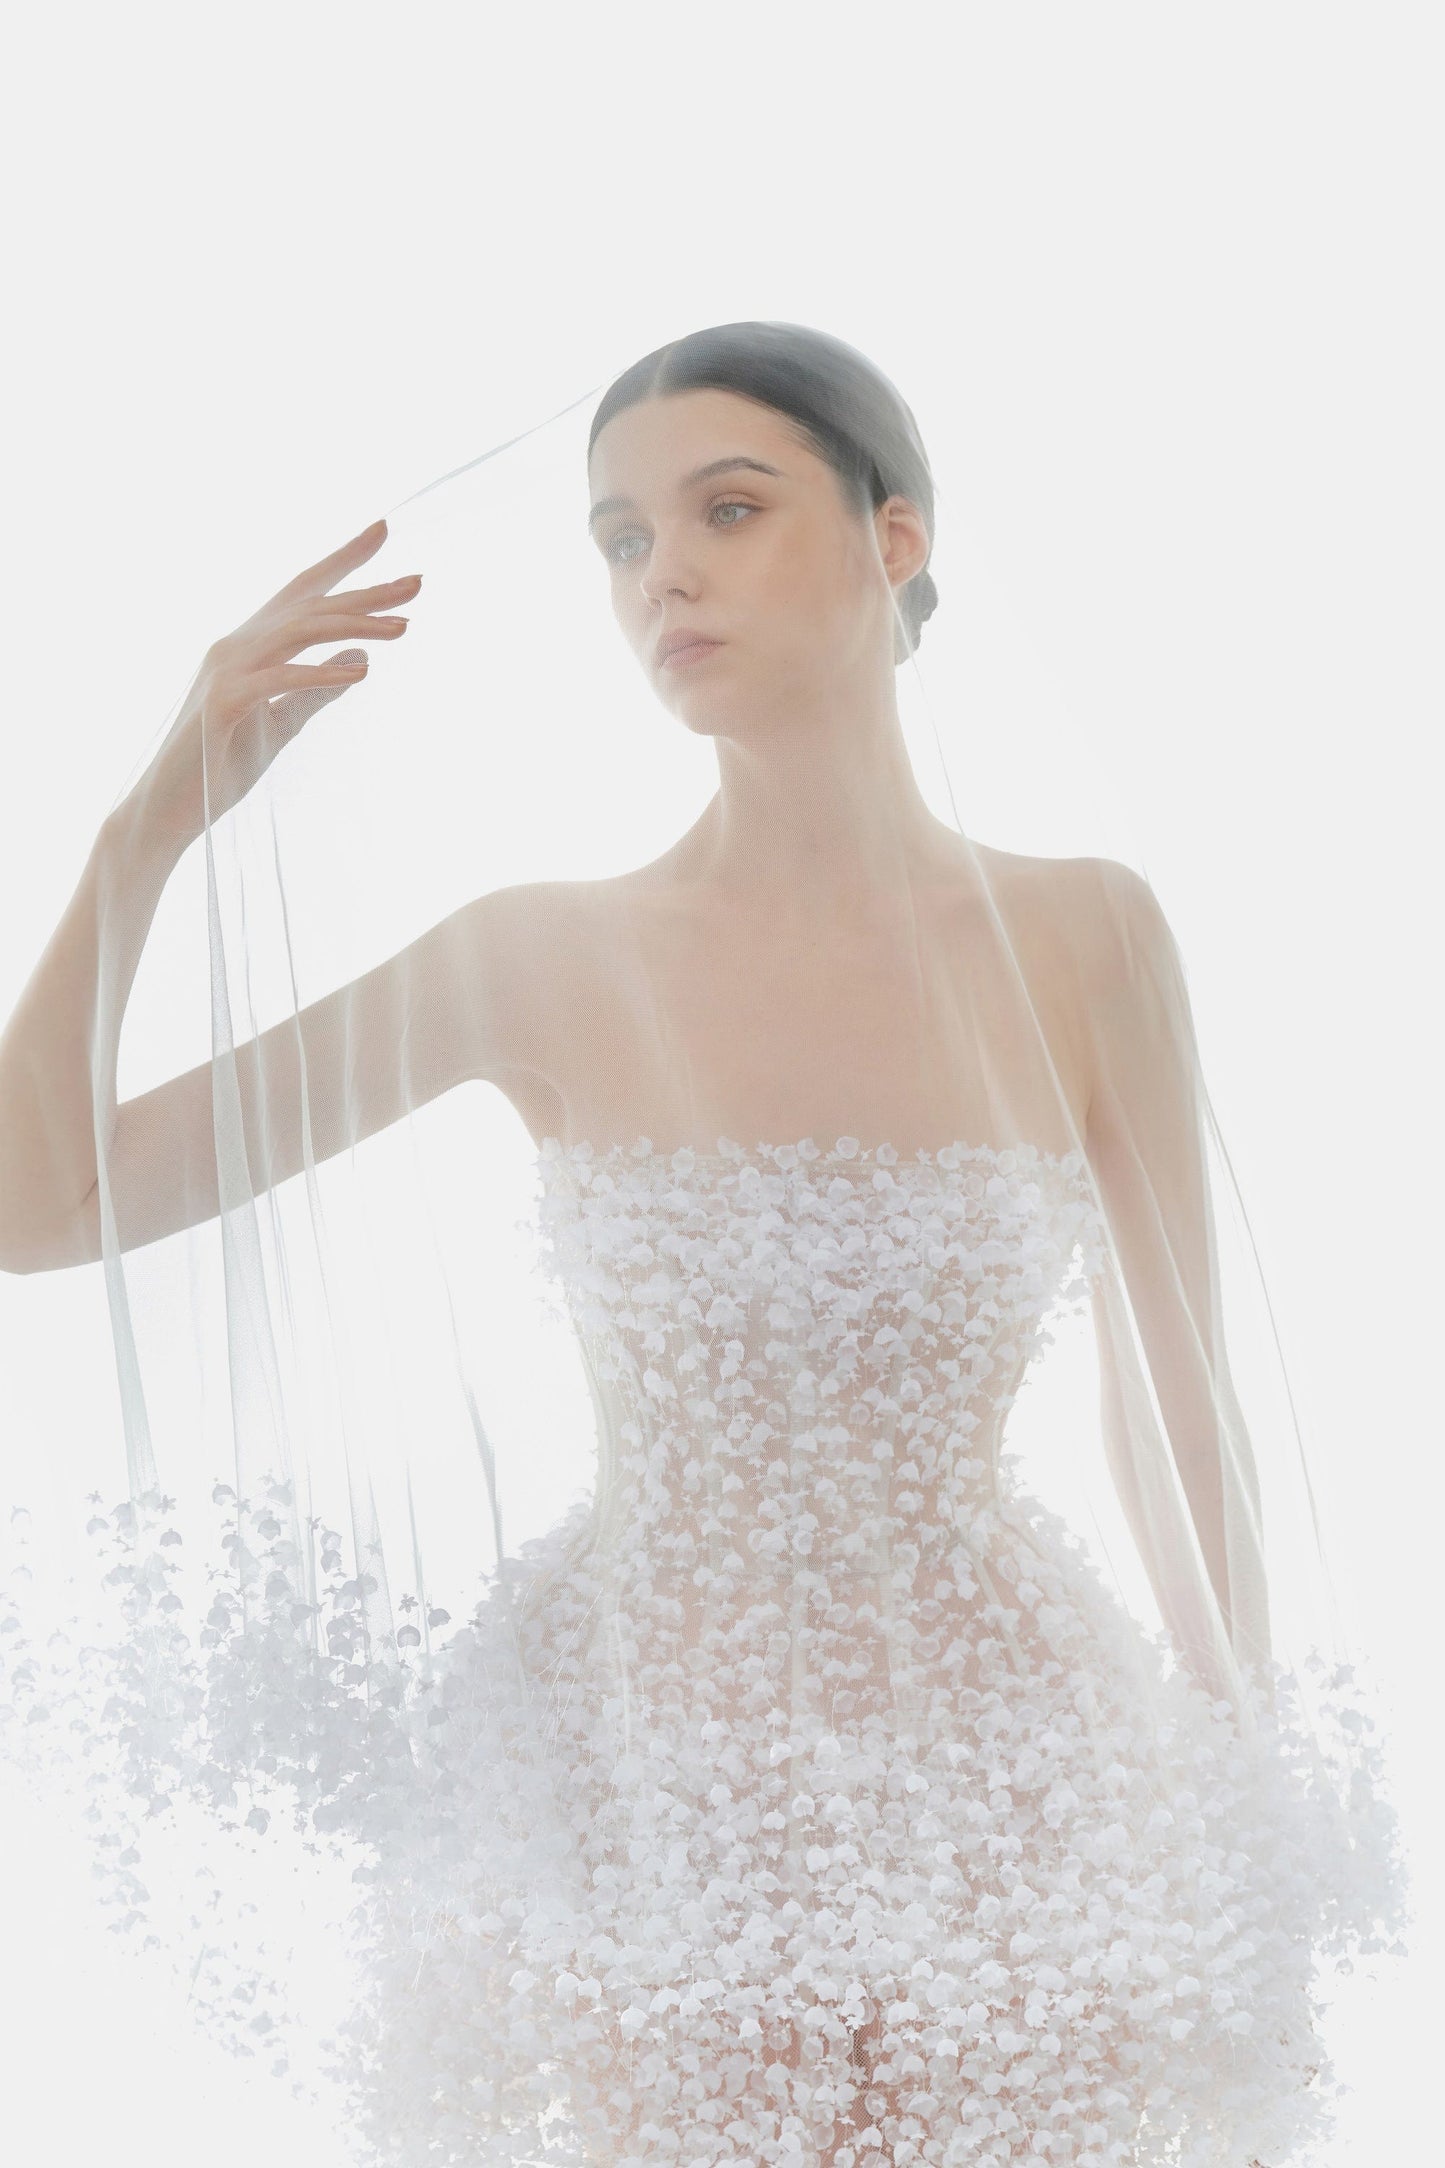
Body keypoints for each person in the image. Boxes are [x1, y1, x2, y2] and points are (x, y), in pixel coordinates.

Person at [0, 323, 1408, 2167]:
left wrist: (1244, 1818)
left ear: (894, 536)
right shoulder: (540, 956)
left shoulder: (1089, 937)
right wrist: (144, 828)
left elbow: (1179, 1409)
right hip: (643, 1771)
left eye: (726, 510)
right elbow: (42, 1211)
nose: (661, 573)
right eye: (619, 538)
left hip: (1014, 1762)